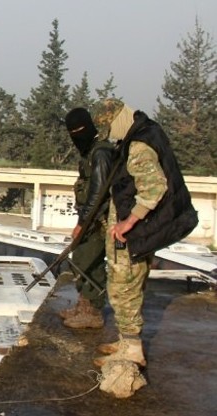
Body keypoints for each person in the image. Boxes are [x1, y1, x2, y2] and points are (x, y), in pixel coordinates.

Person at [93, 102, 198, 368]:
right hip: (145, 229)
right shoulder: (146, 131)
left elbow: (154, 189)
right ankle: (126, 341)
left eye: (109, 128)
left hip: (135, 233)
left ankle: (131, 350)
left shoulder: (139, 146)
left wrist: (128, 223)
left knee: (123, 286)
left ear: (116, 120)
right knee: (131, 284)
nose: (111, 135)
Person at [59, 107, 114, 329]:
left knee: (89, 261)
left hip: (97, 220)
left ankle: (93, 312)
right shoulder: (90, 153)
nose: (76, 136)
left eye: (79, 131)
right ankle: (83, 305)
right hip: (90, 218)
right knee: (81, 259)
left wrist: (82, 224)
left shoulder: (100, 154)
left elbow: (99, 194)